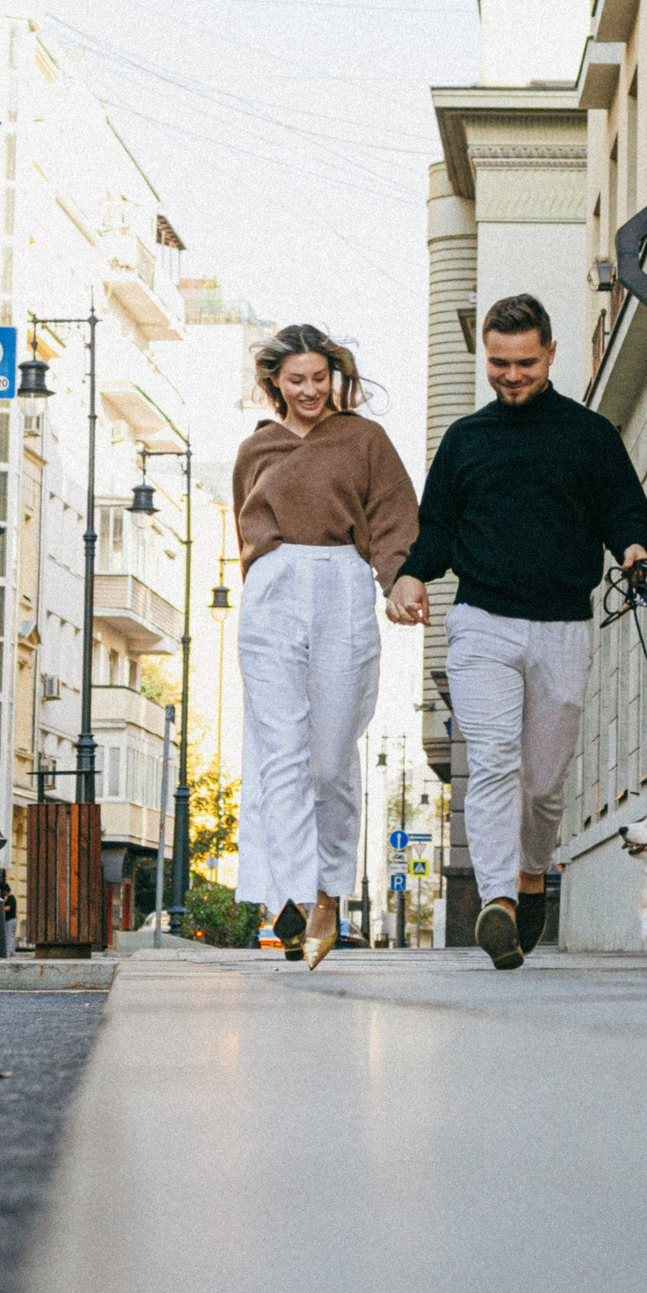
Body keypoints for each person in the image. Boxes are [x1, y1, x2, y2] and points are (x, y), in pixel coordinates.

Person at [389, 293, 647, 970]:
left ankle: (534, 872)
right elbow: (438, 527)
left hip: (563, 622)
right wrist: (412, 576)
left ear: (552, 354)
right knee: (495, 757)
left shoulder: (588, 435)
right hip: (481, 622)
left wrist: (633, 549)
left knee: (544, 781)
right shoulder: (465, 440)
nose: (511, 375)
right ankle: (499, 898)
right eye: (499, 363)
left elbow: (624, 508)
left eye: (525, 362)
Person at [231, 324, 418, 968]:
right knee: (279, 748)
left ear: (333, 376)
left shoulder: (365, 440)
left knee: (331, 759)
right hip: (274, 586)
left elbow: (395, 518)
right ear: (275, 383)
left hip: (342, 580)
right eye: (296, 380)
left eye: (319, 378)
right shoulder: (257, 447)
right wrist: (264, 579)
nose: (310, 390)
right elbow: (247, 531)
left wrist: (398, 583)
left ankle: (328, 889)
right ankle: (289, 896)